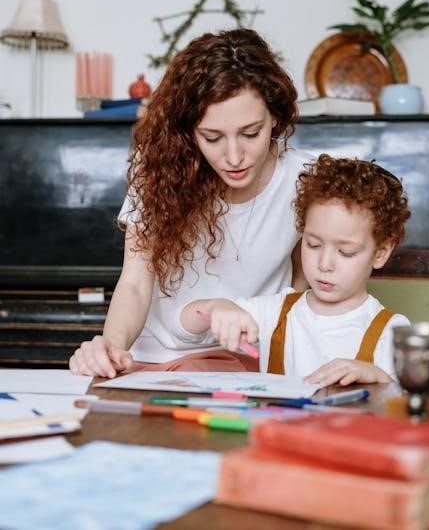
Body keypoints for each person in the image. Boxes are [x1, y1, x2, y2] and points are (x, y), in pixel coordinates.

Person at [69, 28, 311, 378]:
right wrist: (112, 347)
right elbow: (135, 282)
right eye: (212, 137)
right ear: (189, 130)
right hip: (148, 356)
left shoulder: (303, 180)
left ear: (274, 116)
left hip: (244, 359)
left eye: (251, 133)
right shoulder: (159, 168)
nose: (234, 157)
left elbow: (303, 286)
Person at [177, 154, 411, 386]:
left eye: (345, 252)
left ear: (380, 253)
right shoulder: (275, 312)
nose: (324, 264)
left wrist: (379, 378)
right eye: (313, 244)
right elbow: (185, 325)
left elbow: (410, 400)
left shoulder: (392, 331)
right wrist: (215, 307)